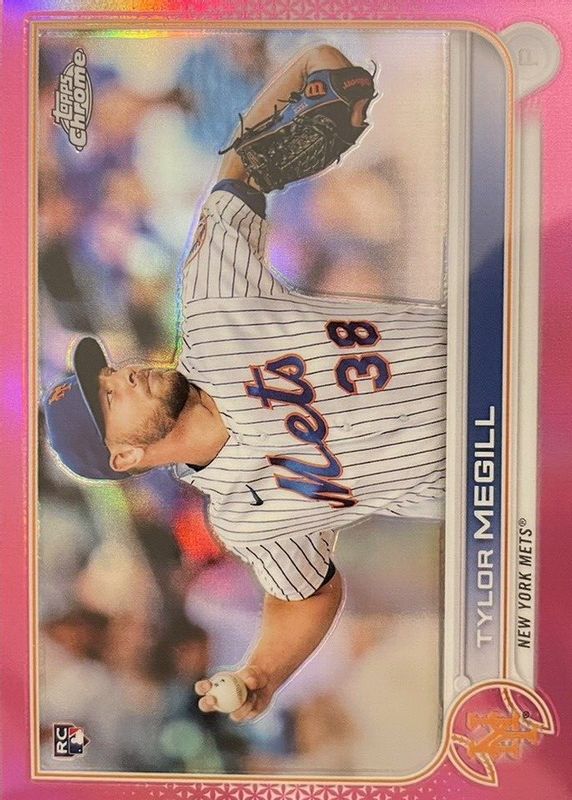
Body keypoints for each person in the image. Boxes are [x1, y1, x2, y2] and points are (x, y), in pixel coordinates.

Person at [44, 44, 446, 724]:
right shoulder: (244, 518)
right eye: (110, 397)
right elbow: (305, 595)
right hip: (504, 476)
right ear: (126, 457)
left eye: (108, 373)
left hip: (508, 350)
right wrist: (262, 672)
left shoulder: (209, 307)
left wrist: (310, 71)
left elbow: (240, 169)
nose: (124, 376)